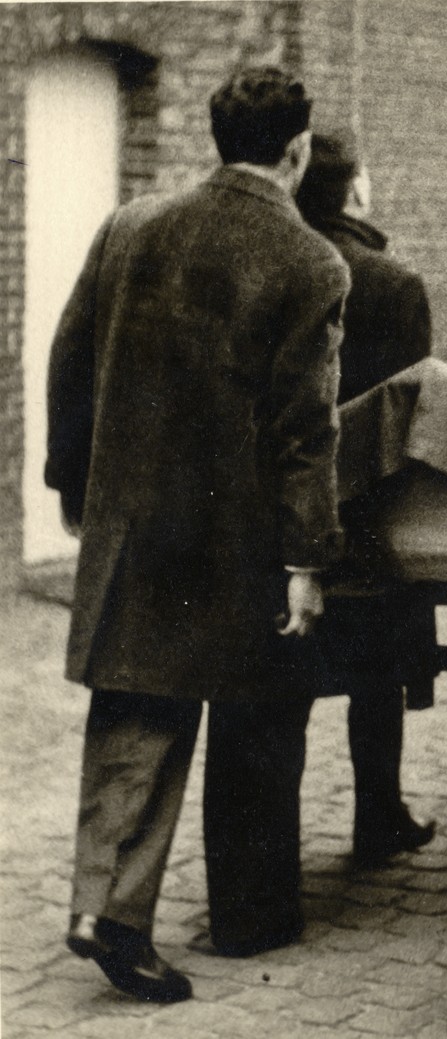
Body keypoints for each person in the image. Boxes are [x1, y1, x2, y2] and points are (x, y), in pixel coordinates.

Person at [46, 66, 348, 1000]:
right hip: (226, 540)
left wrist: (72, 483)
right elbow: (305, 428)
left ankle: (102, 902)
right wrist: (306, 559)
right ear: (297, 151)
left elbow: (70, 356)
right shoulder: (309, 262)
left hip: (132, 519)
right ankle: (120, 916)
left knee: (133, 708)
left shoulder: (131, 225)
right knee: (190, 713)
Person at [294, 132, 438, 866]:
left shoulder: (280, 260)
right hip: (370, 516)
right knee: (378, 677)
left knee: (283, 683)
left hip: (287, 511)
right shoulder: (392, 281)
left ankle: (269, 847)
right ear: (356, 191)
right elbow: (410, 415)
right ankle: (378, 814)